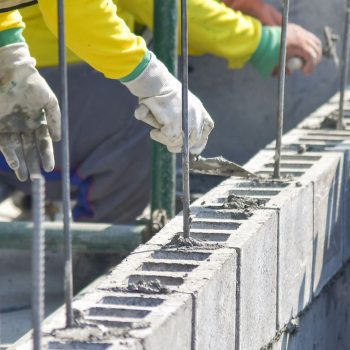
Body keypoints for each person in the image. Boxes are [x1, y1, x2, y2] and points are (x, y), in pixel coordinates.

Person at [0, 0, 322, 223]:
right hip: (35, 86)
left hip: (23, 76)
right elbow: (87, 9)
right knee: (147, 117)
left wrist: (8, 43)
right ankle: (99, 257)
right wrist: (257, 42)